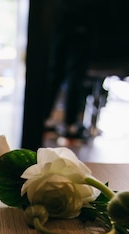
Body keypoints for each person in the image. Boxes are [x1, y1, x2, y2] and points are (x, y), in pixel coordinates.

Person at [42, 2, 96, 140]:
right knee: (71, 75)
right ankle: (69, 124)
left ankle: (59, 122)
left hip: (68, 21)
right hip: (78, 23)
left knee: (60, 74)